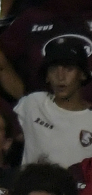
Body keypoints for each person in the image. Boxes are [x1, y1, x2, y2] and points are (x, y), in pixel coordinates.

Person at [14, 40, 92, 169]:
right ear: (47, 76)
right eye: (53, 69)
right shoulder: (33, 103)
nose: (60, 76)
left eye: (69, 69)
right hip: (31, 182)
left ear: (83, 74)